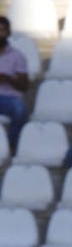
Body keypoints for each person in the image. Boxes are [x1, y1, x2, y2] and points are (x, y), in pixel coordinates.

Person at [0, 16, 30, 149]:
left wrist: (8, 78)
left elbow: (24, 86)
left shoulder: (18, 56)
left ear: (8, 33)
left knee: (20, 110)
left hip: (9, 98)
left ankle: (9, 146)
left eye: (2, 30)